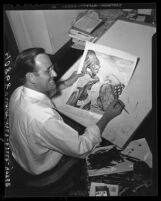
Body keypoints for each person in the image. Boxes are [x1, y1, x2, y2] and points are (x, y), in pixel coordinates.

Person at [9, 48, 124, 183]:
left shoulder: (18, 92)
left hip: (22, 156)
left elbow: (41, 92)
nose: (55, 73)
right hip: (43, 169)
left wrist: (67, 82)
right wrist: (106, 117)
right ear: (31, 77)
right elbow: (81, 148)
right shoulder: (44, 120)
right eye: (48, 70)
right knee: (91, 134)